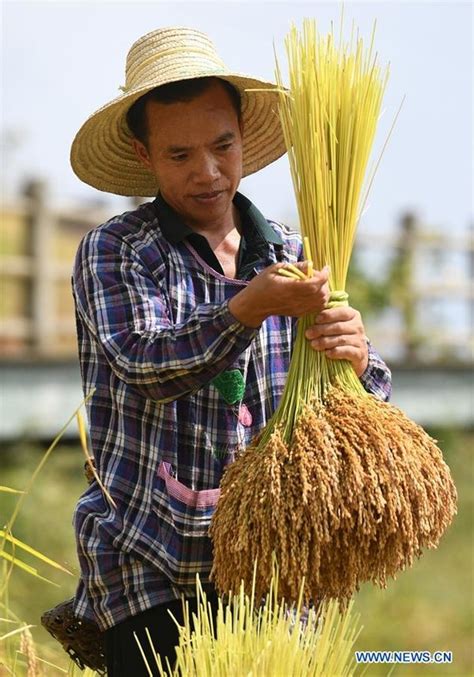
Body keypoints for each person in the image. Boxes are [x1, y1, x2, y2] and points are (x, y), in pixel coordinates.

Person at [70, 27, 392, 675]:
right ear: (145, 154)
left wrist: (358, 361)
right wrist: (247, 307)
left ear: (243, 134)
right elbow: (144, 363)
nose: (208, 171)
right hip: (153, 569)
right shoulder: (118, 252)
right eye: (180, 154)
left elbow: (355, 411)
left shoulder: (300, 256)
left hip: (278, 575)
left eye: (222, 146)